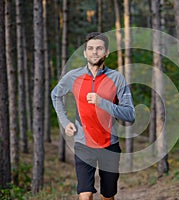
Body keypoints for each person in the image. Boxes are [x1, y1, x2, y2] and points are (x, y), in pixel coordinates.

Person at [51, 32, 135, 200]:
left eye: (99, 48)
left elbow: (130, 115)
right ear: (85, 53)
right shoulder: (73, 76)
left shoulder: (117, 78)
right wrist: (65, 121)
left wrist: (102, 102)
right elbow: (55, 95)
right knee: (85, 194)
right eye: (90, 48)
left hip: (109, 145)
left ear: (106, 53)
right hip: (83, 143)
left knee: (107, 196)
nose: (94, 52)